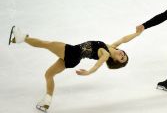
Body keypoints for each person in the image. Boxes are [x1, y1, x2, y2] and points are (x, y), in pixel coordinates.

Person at [9, 26, 141, 112]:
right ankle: (46, 102)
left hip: (72, 52)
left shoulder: (105, 54)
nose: (122, 55)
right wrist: (137, 33)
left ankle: (21, 38)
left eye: (122, 59)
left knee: (47, 44)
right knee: (48, 74)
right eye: (124, 54)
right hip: (73, 59)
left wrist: (88, 72)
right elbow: (124, 39)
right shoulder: (111, 47)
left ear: (115, 61)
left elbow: (97, 65)